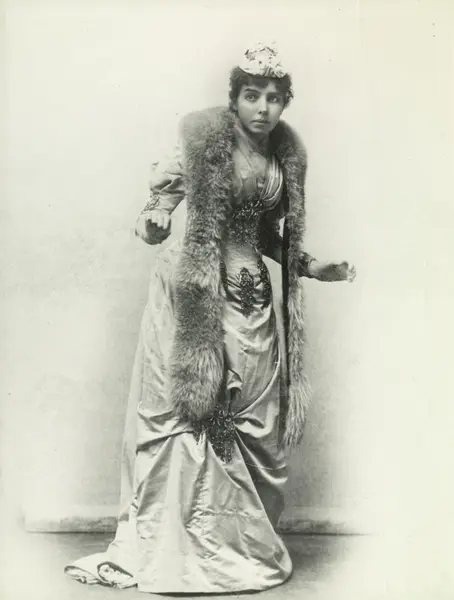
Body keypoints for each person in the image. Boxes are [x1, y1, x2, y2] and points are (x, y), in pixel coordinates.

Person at [64, 43, 356, 594]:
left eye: (274, 98)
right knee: (195, 412)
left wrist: (313, 266)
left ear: (285, 102)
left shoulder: (283, 157)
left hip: (253, 298)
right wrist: (153, 224)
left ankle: (235, 548)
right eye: (252, 95)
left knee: (252, 419)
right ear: (234, 98)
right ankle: (181, 551)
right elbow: (155, 210)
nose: (263, 108)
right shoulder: (204, 144)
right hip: (198, 290)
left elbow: (266, 234)